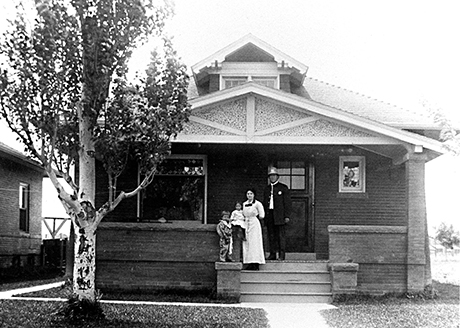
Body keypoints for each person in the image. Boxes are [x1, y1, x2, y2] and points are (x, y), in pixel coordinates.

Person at [263, 167, 292, 261]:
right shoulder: (267, 189)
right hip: (270, 215)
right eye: (270, 176)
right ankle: (272, 254)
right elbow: (264, 203)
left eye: (274, 176)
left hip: (280, 215)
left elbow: (287, 203)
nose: (272, 177)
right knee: (271, 235)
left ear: (277, 177)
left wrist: (286, 216)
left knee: (280, 236)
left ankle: (281, 255)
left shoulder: (283, 188)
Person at [242, 188, 265, 270]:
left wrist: (254, 216)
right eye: (248, 194)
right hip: (246, 224)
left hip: (254, 224)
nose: (249, 195)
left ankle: (256, 263)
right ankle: (249, 262)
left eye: (251, 194)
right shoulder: (244, 204)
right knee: (247, 243)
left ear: (254, 195)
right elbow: (243, 214)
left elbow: (262, 215)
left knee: (254, 243)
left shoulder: (257, 204)